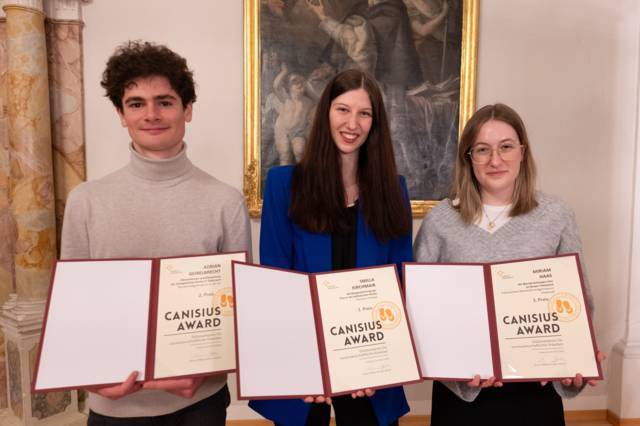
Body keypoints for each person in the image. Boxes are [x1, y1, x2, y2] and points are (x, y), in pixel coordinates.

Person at [60, 41, 251, 425]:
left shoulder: (225, 201)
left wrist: (207, 370)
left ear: (188, 109)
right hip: (112, 404)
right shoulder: (85, 201)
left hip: (198, 403)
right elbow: (74, 309)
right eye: (136, 103)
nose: (151, 114)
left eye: (165, 101)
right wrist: (90, 377)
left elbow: (235, 310)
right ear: (120, 113)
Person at [413, 103, 602, 426]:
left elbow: (578, 301)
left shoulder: (556, 214)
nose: (495, 160)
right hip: (463, 395)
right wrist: (454, 371)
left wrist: (576, 363)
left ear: (523, 153)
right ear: (468, 158)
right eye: (483, 149)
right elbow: (419, 309)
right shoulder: (441, 220)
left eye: (506, 147)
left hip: (534, 392)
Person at [249, 69, 412, 425]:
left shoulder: (393, 190)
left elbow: (400, 282)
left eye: (364, 113)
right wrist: (306, 366)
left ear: (375, 123)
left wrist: (378, 360)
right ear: (325, 113)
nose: (352, 123)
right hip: (304, 371)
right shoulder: (283, 184)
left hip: (371, 371)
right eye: (343, 109)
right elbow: (277, 282)